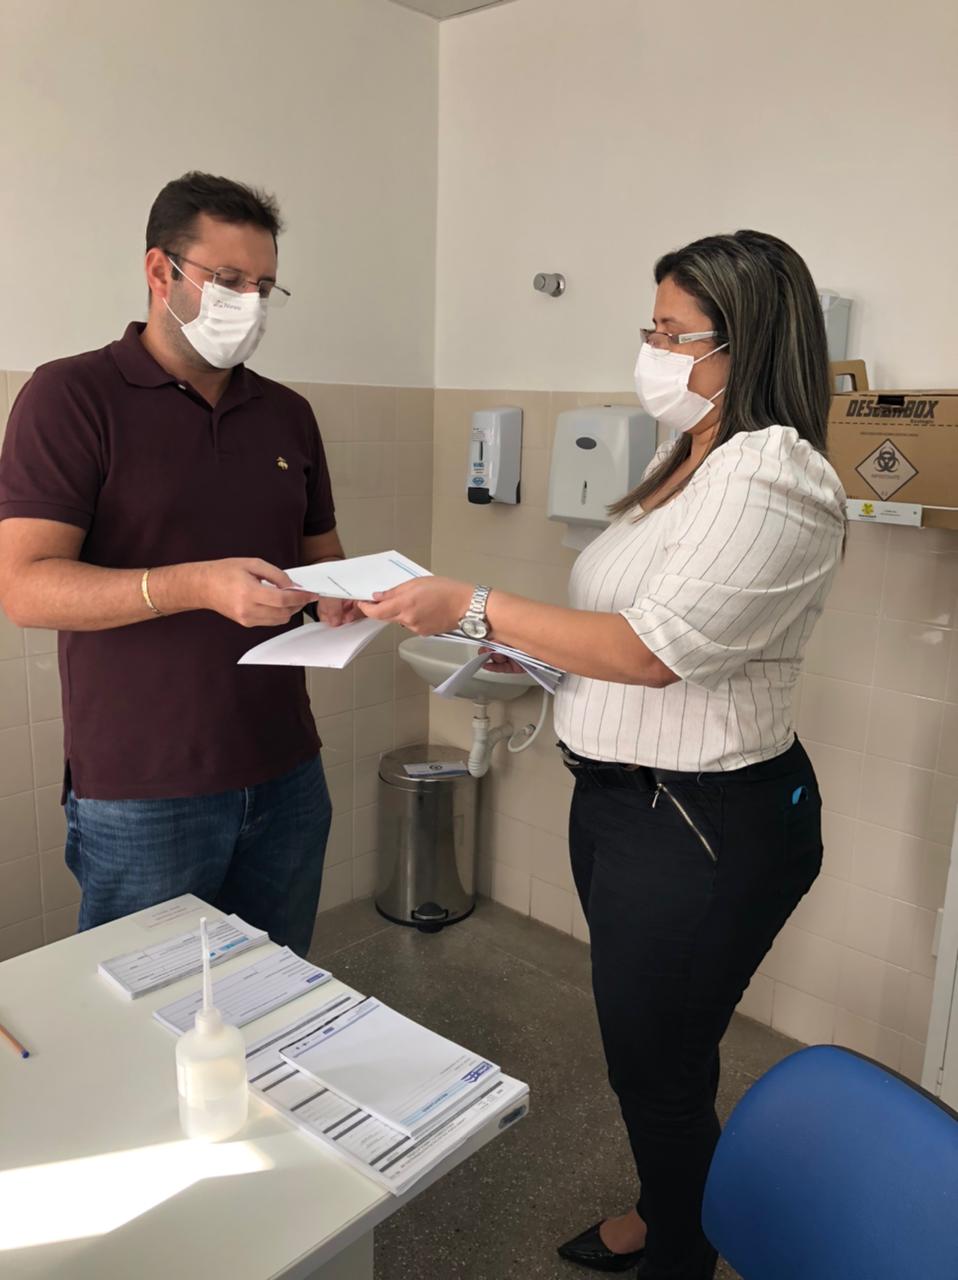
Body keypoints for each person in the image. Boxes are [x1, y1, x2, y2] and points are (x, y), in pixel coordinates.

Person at [358, 230, 846, 1279]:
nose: (651, 351)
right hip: (628, 807)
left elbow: (653, 652)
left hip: (702, 821)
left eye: (673, 333)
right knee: (656, 1051)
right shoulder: (690, 457)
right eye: (649, 327)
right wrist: (522, 647)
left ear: (747, 341)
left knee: (656, 1062)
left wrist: (476, 603)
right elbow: (625, 630)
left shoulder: (772, 472)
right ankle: (669, 1206)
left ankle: (681, 1251)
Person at [0, 171, 358, 958]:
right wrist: (194, 585)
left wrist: (342, 596)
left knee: (277, 991)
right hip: (143, 788)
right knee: (141, 1010)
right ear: (160, 272)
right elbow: (25, 587)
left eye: (263, 287)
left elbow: (321, 558)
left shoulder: (287, 415)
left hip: (286, 770)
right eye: (227, 280)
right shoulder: (70, 397)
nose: (249, 304)